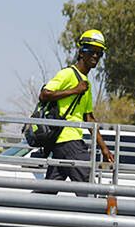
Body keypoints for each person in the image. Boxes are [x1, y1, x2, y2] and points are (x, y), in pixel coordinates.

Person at [36, 29, 116, 193]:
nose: (95, 56)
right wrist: (74, 90)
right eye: (91, 51)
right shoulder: (68, 74)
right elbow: (44, 94)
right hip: (70, 142)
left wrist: (104, 148)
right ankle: (99, 218)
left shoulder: (86, 82)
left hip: (62, 146)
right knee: (89, 191)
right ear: (81, 51)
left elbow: (89, 119)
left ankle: (23, 212)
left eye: (99, 53)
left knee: (46, 193)